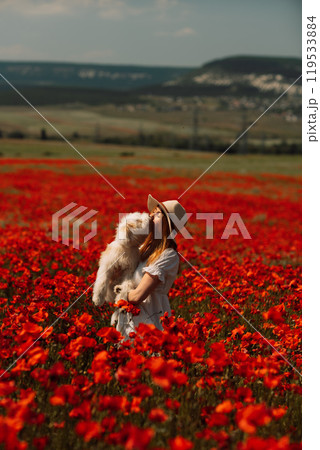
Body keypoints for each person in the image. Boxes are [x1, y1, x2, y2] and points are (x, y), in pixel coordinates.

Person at [113, 194, 188, 340]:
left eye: (157, 214)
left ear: (168, 224)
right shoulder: (143, 249)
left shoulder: (168, 255)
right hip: (129, 321)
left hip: (150, 322)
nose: (151, 216)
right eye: (152, 212)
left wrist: (116, 294)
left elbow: (137, 296)